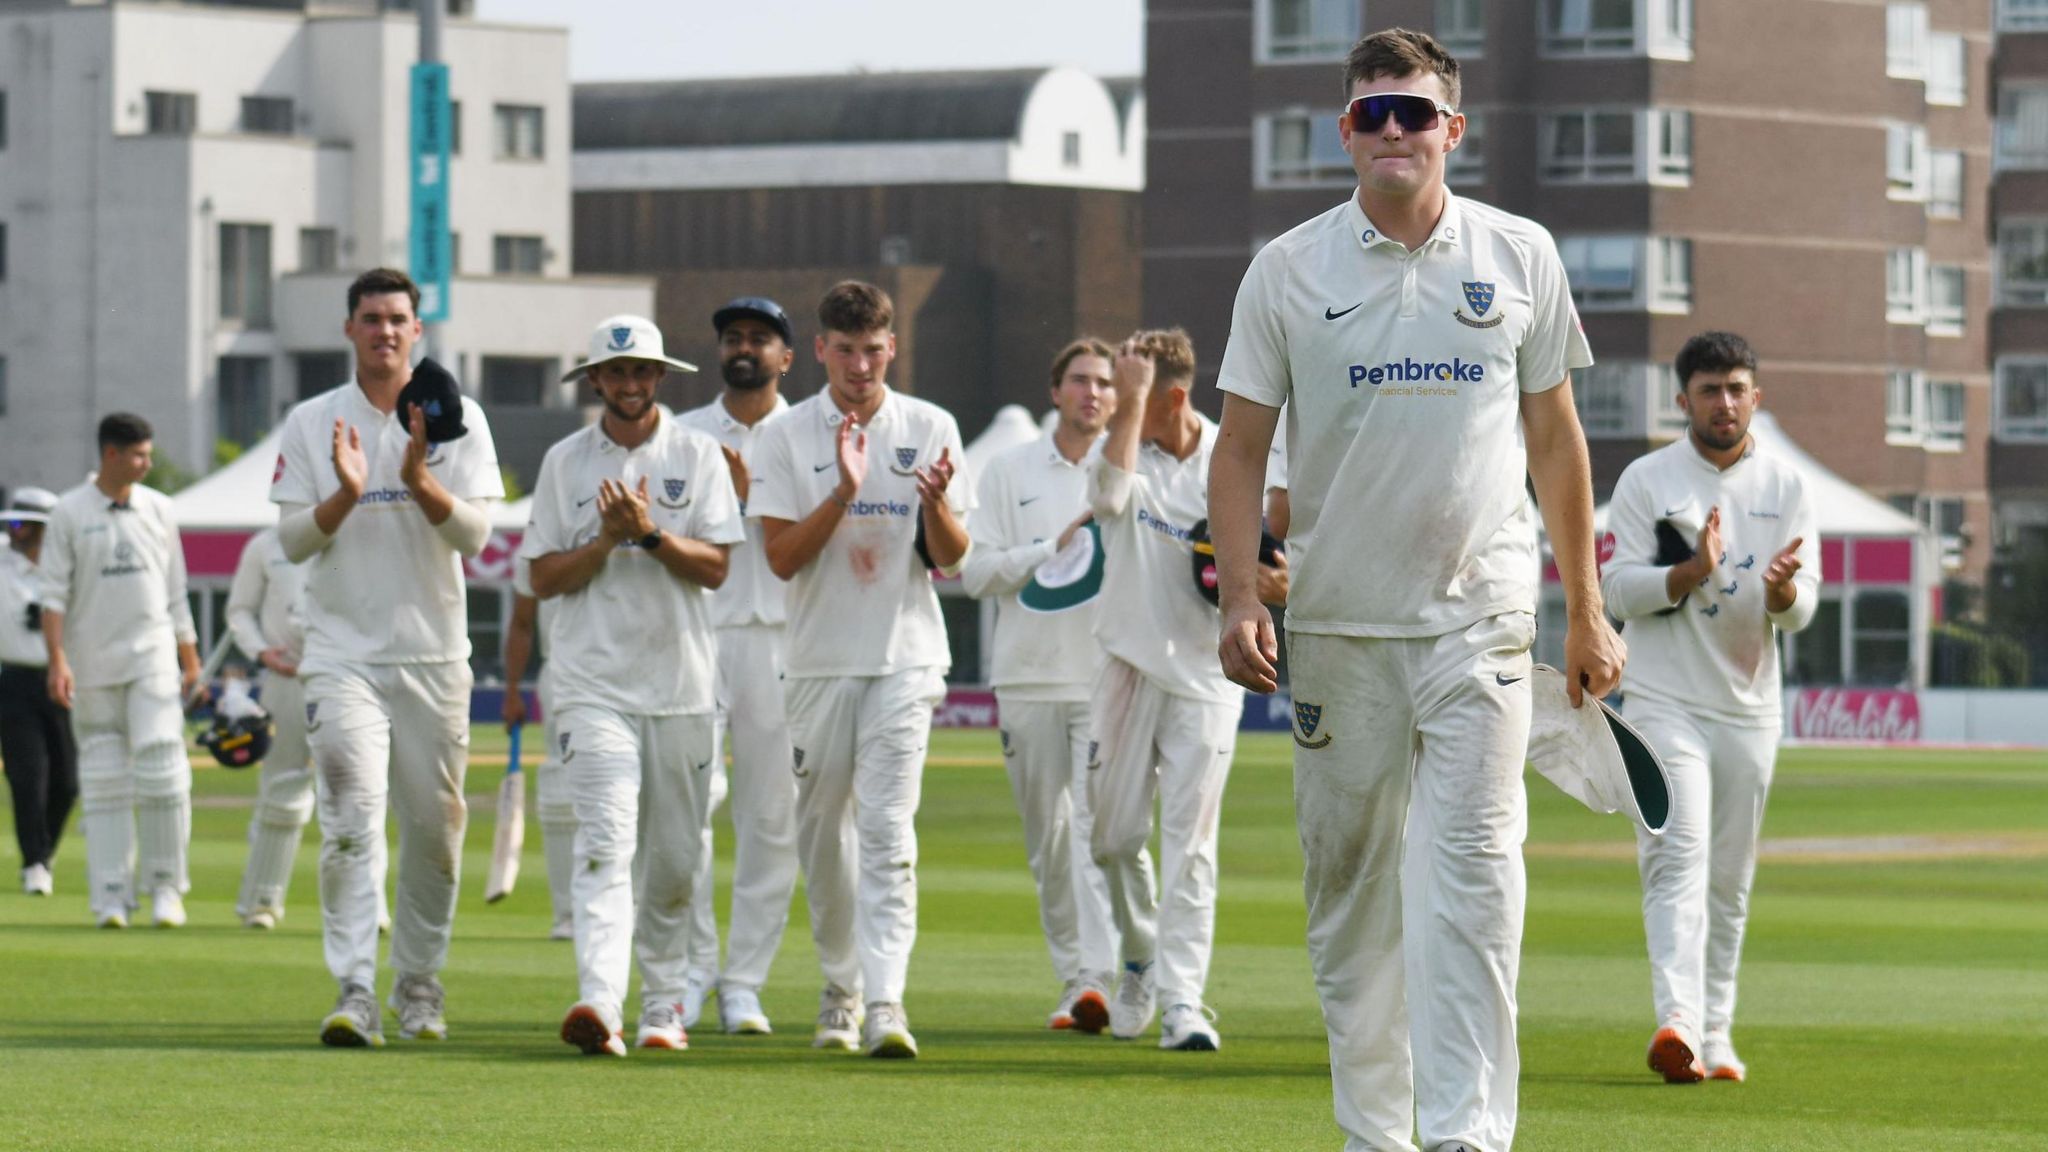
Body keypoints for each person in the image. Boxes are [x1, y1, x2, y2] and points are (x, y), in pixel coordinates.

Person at [1207, 29, 1624, 1152]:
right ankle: (1374, 1134)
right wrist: (1240, 595)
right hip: (1337, 626)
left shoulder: (1519, 252)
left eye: (1413, 112)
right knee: (1348, 895)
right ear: (1343, 132)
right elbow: (1239, 449)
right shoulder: (1286, 270)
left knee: (1476, 882)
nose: (1392, 129)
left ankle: (1466, 1135)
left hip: (1480, 623)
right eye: (1370, 113)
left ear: (1453, 127)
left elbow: (1556, 441)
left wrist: (1583, 609)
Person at [271, 267, 504, 1047]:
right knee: (349, 818)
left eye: (398, 319)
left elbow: (476, 535)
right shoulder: (312, 421)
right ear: (349, 330)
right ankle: (354, 989)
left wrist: (415, 481)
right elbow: (293, 539)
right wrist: (344, 493)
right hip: (342, 655)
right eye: (370, 319)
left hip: (434, 654)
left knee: (435, 833)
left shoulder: (453, 416)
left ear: (418, 330)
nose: (385, 331)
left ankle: (418, 983)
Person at [750, 280, 972, 1059]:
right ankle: (839, 985)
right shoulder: (783, 437)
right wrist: (843, 491)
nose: (859, 365)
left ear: (891, 348)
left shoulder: (929, 425)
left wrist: (938, 508)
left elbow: (949, 561)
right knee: (823, 835)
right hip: (817, 663)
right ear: (820, 350)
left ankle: (884, 1000)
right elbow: (779, 559)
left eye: (872, 350)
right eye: (844, 351)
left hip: (905, 659)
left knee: (885, 829)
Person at [1599, 331, 1818, 1085]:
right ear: (1681, 398)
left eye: (1735, 388)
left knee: (1729, 877)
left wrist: (1786, 593)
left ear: (1757, 395)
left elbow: (1802, 607)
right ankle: (1678, 1025)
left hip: (1750, 707)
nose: (1723, 403)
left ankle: (1717, 1035)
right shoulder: (1646, 480)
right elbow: (1615, 591)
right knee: (1675, 855)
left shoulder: (1786, 485)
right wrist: (1690, 571)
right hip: (1663, 702)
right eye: (1708, 390)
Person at [525, 314, 744, 1057]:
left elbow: (716, 568)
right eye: (614, 373)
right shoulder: (563, 462)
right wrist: (606, 541)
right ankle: (598, 1002)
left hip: (682, 686)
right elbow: (543, 577)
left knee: (676, 860)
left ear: (659, 377)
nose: (628, 384)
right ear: (594, 382)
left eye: (640, 372)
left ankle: (664, 1006)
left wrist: (649, 535)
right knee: (605, 844)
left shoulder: (698, 453)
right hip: (593, 686)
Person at [1083, 329, 1277, 1053]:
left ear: (1174, 392)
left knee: (1191, 847)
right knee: (1112, 838)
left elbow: (1277, 556)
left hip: (1207, 675)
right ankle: (1140, 957)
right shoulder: (1129, 446)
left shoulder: (1231, 454)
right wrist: (1129, 407)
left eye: (1129, 384)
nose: (1110, 399)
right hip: (1127, 667)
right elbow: (1106, 499)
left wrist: (1275, 583)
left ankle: (1184, 1002)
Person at [959, 337, 1125, 1032]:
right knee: (1048, 839)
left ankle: (1101, 979)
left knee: (1098, 830)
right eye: (1081, 381)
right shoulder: (1006, 470)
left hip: (1103, 676)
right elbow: (974, 575)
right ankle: (1074, 978)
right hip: (1026, 677)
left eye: (1105, 384)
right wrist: (1049, 550)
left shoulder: (1127, 469)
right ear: (1055, 391)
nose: (1093, 393)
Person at [671, 295, 804, 1036]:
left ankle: (743, 982)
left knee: (770, 819)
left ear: (787, 357)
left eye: (760, 339)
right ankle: (691, 971)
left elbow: (816, 543)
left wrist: (753, 499)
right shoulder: (682, 435)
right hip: (696, 633)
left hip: (781, 639)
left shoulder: (811, 434)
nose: (744, 348)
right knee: (688, 810)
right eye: (732, 338)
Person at [38, 415, 204, 930]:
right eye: (137, 455)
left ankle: (165, 889)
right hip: (92, 661)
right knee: (105, 776)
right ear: (111, 454)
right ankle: (111, 893)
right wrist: (58, 658)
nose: (147, 463)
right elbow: (53, 595)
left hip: (152, 655)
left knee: (161, 766)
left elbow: (176, 591)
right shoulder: (68, 512)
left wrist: (189, 657)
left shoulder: (160, 508)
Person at [226, 525, 313, 929]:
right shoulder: (264, 544)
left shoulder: (356, 532)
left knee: (357, 792)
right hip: (284, 678)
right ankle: (262, 900)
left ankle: (366, 907)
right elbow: (239, 610)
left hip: (345, 675)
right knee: (280, 785)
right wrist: (261, 650)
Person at [2, 487, 77, 897]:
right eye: (11, 523)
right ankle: (34, 862)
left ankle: (43, 851)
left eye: (22, 524)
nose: (15, 532)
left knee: (68, 781)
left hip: (63, 678)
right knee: (28, 776)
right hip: (13, 681)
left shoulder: (66, 568)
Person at [501, 560, 575, 941]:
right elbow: (522, 621)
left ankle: (630, 907)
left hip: (633, 672)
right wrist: (512, 689)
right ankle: (568, 914)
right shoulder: (541, 532)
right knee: (562, 788)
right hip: (562, 672)